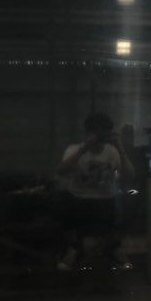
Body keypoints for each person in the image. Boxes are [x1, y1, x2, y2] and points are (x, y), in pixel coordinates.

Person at [57, 113, 134, 271]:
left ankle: (114, 248)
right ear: (88, 133)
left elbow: (130, 176)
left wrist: (120, 149)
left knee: (129, 199)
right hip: (79, 199)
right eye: (97, 132)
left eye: (104, 132)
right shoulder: (74, 149)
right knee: (62, 199)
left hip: (107, 200)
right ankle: (74, 248)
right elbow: (61, 171)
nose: (100, 137)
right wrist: (84, 149)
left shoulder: (112, 151)